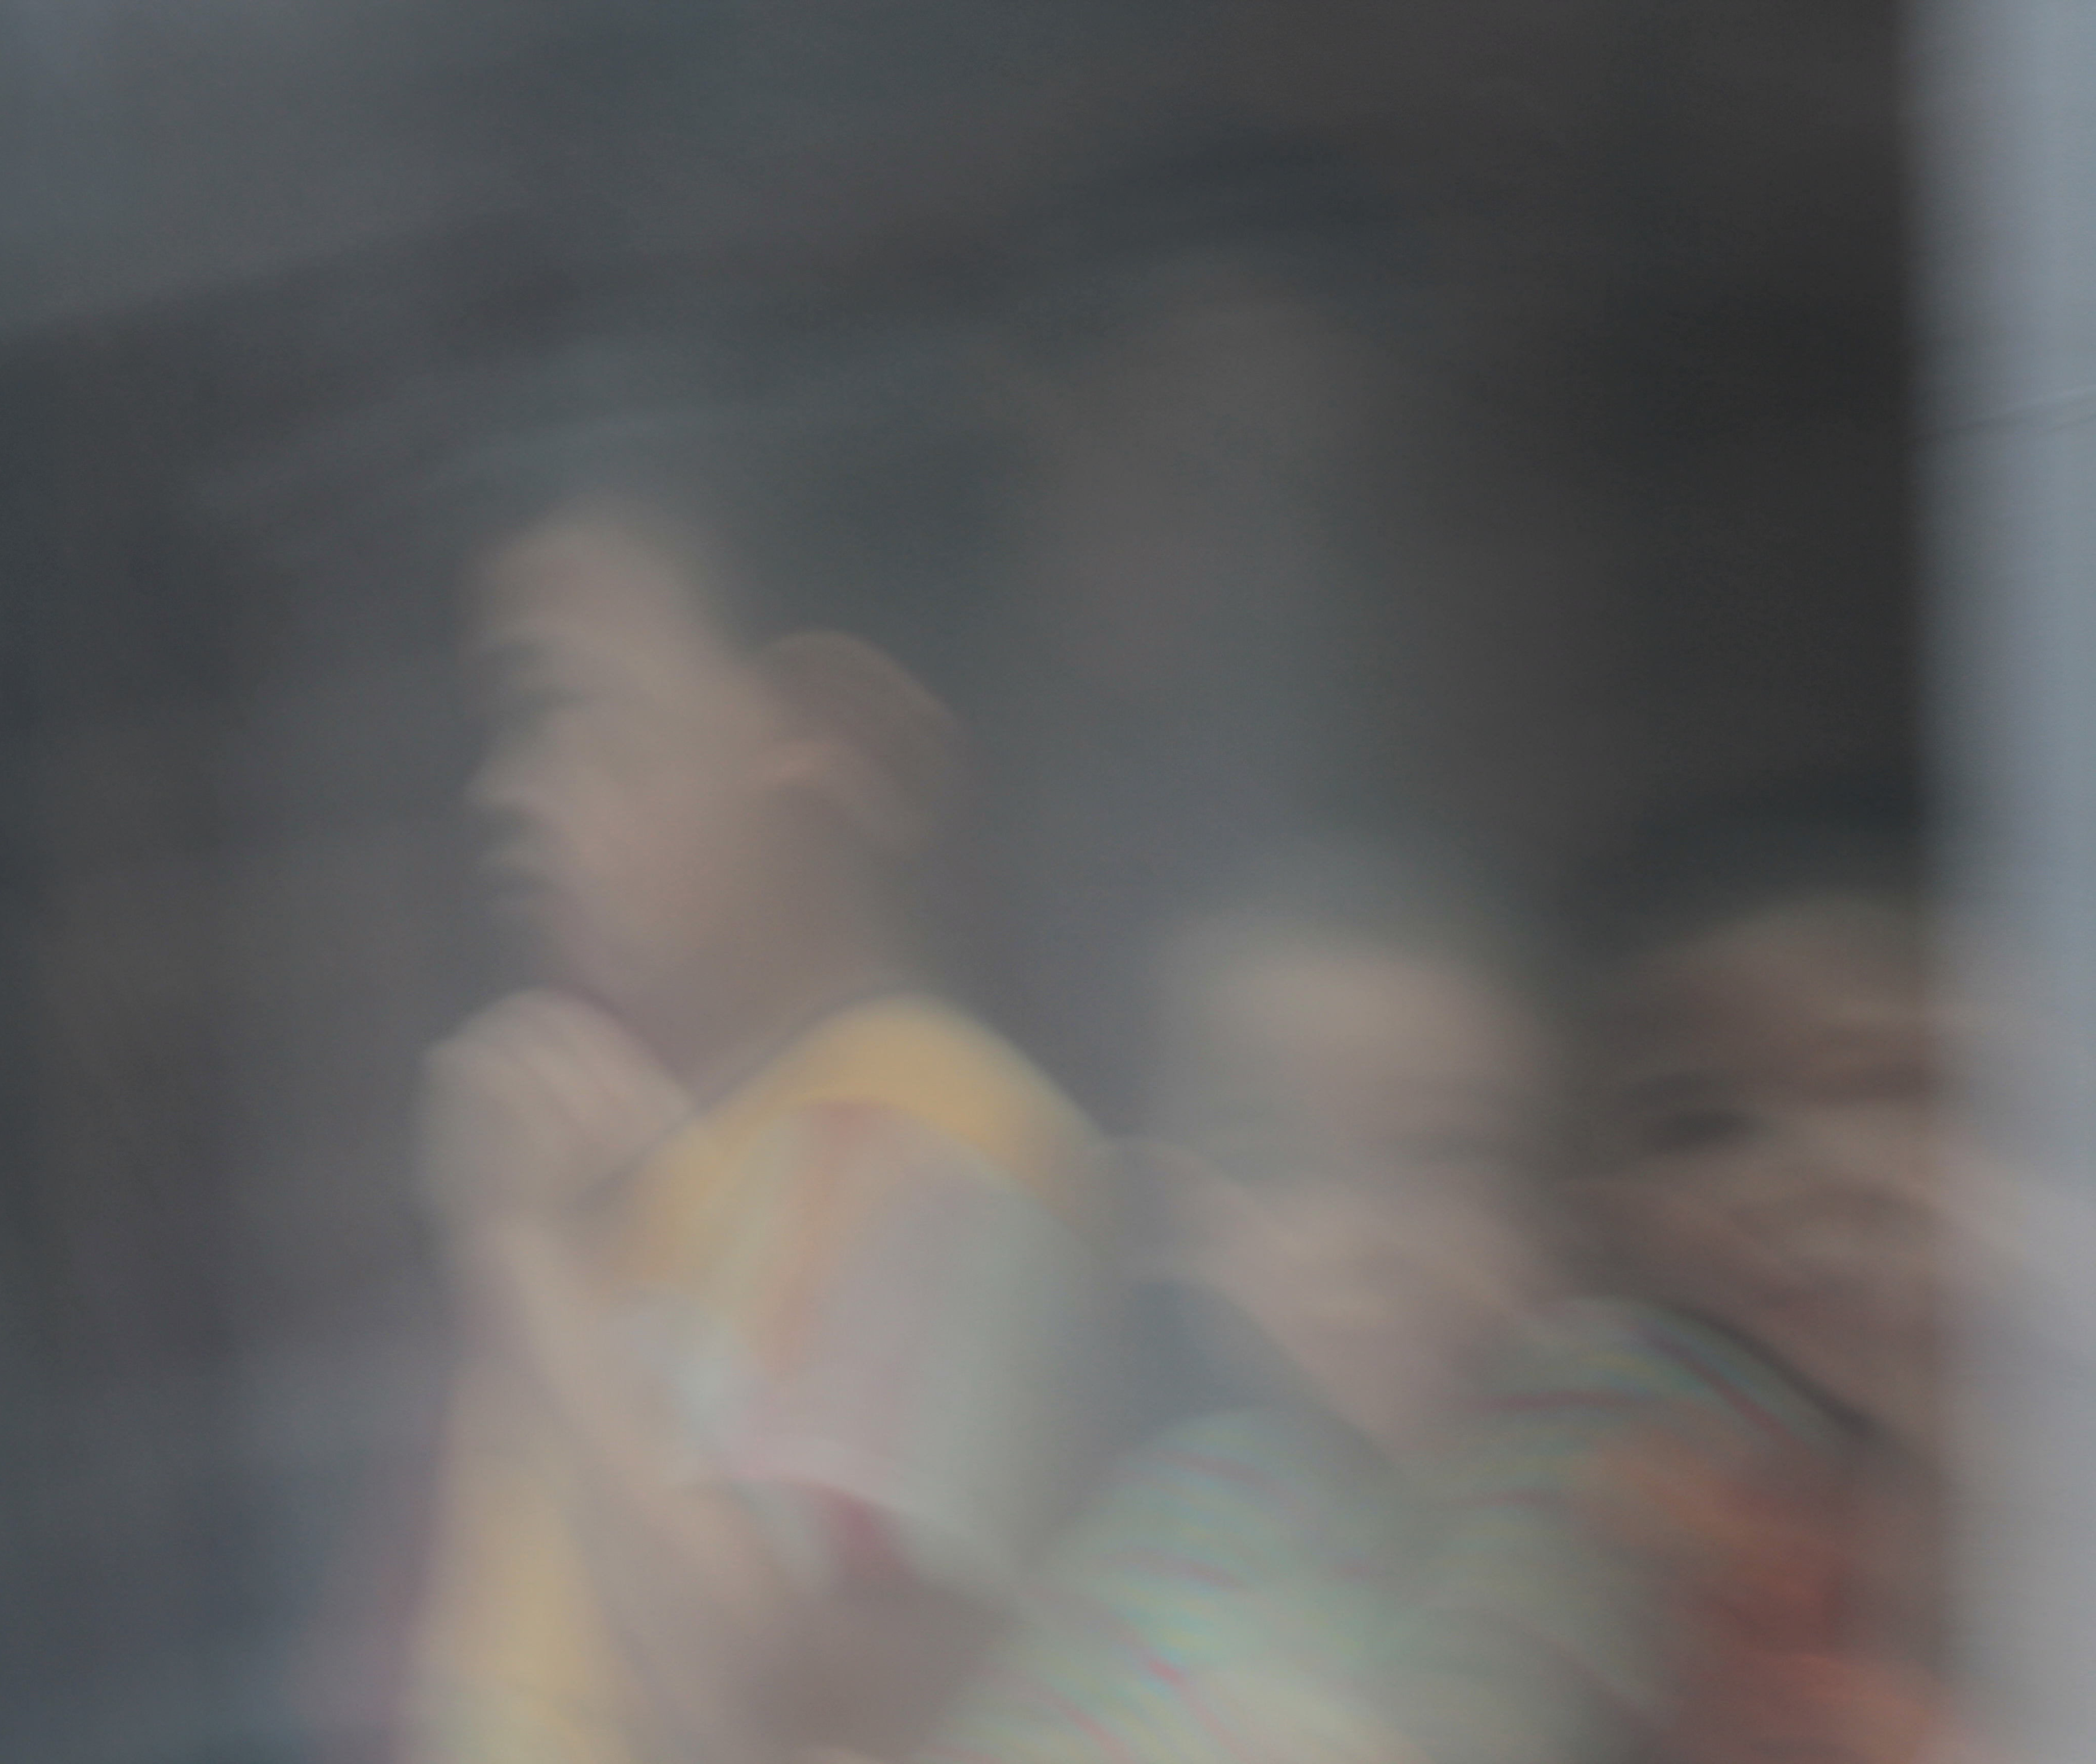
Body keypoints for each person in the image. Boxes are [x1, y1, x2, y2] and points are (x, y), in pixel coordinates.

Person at [402, 386, 1113, 1764]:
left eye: (567, 711)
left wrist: (519, 1259)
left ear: (818, 735)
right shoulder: (612, 1162)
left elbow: (779, 1711)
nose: (509, 789)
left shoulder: (943, 1140)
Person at [921, 846, 1555, 1764]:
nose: (1361, 1240)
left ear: (1560, 1206)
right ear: (1172, 1217)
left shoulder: (1599, 1487)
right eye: (1270, 1166)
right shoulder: (1182, 1521)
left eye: (1446, 1152)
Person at [1382, 793, 1971, 1764]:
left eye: (1894, 1084)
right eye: (1699, 1128)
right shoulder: (1629, 1415)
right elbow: (1495, 1673)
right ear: (1599, 1207)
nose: (1805, 1176)